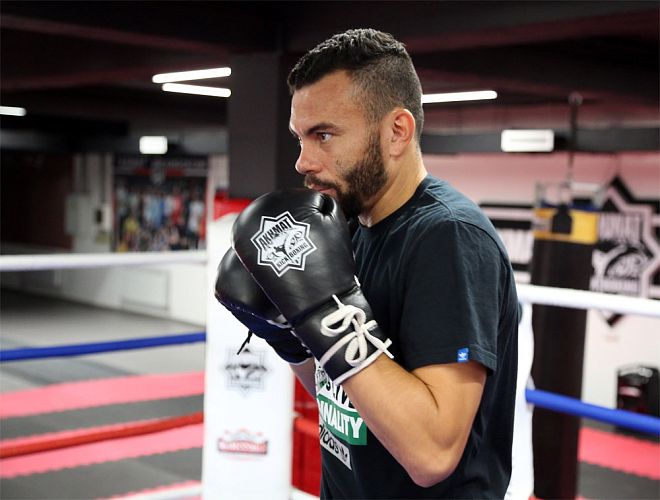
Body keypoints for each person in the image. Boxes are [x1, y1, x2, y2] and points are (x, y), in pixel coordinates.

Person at [219, 28, 519, 499]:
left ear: (397, 131)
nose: (303, 161)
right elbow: (344, 398)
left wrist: (325, 315)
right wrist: (288, 333)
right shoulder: (346, 227)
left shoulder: (450, 238)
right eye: (301, 138)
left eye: (324, 135)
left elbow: (432, 454)